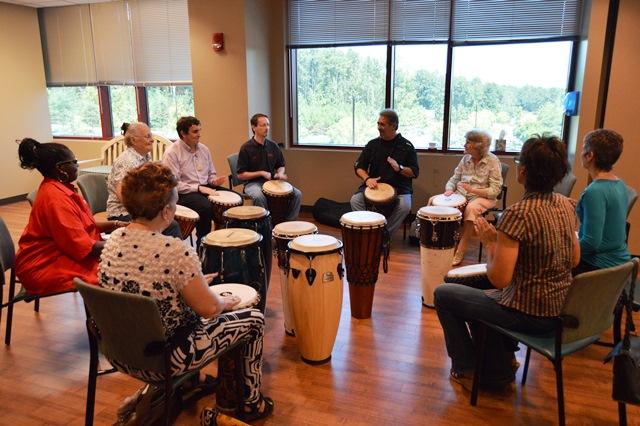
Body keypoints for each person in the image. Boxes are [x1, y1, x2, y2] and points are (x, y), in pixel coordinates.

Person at [98, 163, 273, 422]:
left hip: (119, 352)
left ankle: (188, 384)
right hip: (165, 359)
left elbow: (147, 287)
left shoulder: (112, 242)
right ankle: (251, 403)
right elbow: (210, 309)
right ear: (168, 210)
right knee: (254, 320)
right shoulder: (174, 250)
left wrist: (193, 281)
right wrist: (224, 301)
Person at [434, 135, 580, 390]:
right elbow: (575, 259)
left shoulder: (517, 214)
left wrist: (490, 242)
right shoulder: (566, 204)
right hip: (559, 305)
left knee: (443, 294)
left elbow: (499, 279)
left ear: (522, 171)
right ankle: (502, 358)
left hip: (528, 312)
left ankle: (469, 368)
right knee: (456, 282)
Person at [15, 139, 126, 295]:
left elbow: (84, 226)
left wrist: (116, 225)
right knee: (118, 272)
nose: (77, 165)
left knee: (123, 264)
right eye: (73, 162)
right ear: (60, 168)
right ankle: (104, 316)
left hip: (62, 252)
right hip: (44, 264)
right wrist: (129, 242)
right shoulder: (54, 199)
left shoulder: (61, 189)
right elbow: (86, 248)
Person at [432, 130, 503, 266]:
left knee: (471, 209)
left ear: (478, 146)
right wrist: (449, 189)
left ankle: (461, 250)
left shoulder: (493, 161)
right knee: (434, 200)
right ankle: (440, 244)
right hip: (461, 194)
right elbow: (454, 179)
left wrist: (473, 190)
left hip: (483, 196)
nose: (464, 145)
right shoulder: (465, 159)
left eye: (468, 142)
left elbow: (495, 190)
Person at [106, 122, 181, 239]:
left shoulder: (145, 157)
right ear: (134, 140)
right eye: (147, 136)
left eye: (151, 136)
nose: (152, 140)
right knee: (172, 225)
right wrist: (149, 212)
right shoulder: (126, 161)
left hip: (140, 209)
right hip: (124, 212)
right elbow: (123, 195)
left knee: (170, 218)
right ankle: (171, 255)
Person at [351, 109, 419, 236]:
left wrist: (399, 168)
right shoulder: (372, 144)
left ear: (394, 126)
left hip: (400, 188)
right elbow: (359, 167)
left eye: (382, 124)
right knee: (355, 200)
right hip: (374, 185)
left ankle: (383, 234)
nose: (378, 127)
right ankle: (368, 230)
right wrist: (367, 179)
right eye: (378, 123)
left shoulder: (407, 146)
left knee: (405, 206)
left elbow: (414, 172)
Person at [162, 116, 227, 245]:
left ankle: (223, 241)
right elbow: (173, 184)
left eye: (199, 131)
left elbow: (211, 173)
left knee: (234, 199)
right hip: (184, 193)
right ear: (183, 133)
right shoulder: (172, 153)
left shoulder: (204, 149)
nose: (199, 135)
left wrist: (214, 181)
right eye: (195, 132)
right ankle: (203, 245)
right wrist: (198, 188)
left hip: (205, 187)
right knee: (205, 207)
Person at [574, 129, 630, 274]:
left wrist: (565, 248)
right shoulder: (620, 184)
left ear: (590, 155)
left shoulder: (594, 191)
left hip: (597, 267)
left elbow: (591, 243)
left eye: (582, 149)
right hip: (620, 265)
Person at [236, 113, 302, 220]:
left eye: (268, 124)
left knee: (297, 194)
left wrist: (280, 173)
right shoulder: (246, 148)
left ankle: (288, 224)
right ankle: (266, 226)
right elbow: (240, 175)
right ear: (254, 127)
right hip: (253, 184)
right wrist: (261, 173)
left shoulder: (273, 146)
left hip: (272, 182)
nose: (266, 128)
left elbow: (281, 165)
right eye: (263, 125)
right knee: (258, 196)